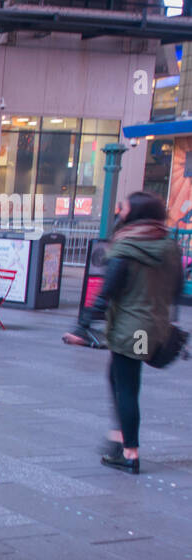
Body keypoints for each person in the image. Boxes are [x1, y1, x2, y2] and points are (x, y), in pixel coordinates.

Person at [65, 191, 183, 474]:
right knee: (118, 378)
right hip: (152, 326)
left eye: (123, 209)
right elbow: (177, 289)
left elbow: (106, 293)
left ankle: (129, 453)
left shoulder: (126, 248)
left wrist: (82, 326)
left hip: (132, 329)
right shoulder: (169, 248)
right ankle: (119, 440)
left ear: (135, 214)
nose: (119, 213)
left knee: (128, 386)